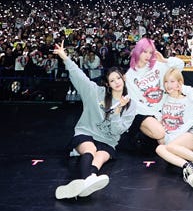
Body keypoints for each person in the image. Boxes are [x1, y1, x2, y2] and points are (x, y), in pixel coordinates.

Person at [52, 40, 136, 200]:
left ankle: (83, 183)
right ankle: (89, 179)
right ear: (108, 84)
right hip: (87, 133)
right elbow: (79, 77)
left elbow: (117, 131)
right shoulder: (95, 92)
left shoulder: (131, 104)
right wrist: (65, 57)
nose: (116, 82)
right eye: (112, 80)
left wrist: (117, 112)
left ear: (123, 79)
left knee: (100, 157)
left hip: (108, 140)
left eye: (118, 78)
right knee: (90, 150)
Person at [124, 37, 184, 149]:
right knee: (160, 132)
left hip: (163, 109)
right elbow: (135, 102)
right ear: (138, 51)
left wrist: (165, 60)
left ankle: (171, 154)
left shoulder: (158, 65)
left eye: (150, 52)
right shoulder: (130, 75)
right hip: (143, 113)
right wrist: (157, 116)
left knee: (166, 138)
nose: (148, 55)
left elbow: (180, 65)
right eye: (144, 52)